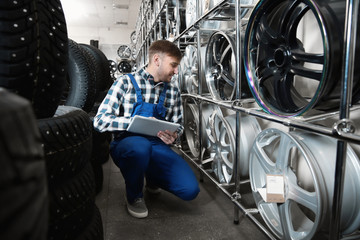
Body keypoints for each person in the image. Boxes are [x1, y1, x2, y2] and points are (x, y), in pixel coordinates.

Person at [93, 40, 200, 218]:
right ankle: (134, 195)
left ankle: (152, 177)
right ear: (157, 59)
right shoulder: (125, 83)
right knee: (140, 148)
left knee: (190, 189)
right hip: (127, 143)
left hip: (157, 145)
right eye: (173, 65)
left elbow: (179, 124)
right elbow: (99, 121)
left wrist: (174, 135)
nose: (176, 71)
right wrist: (134, 122)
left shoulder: (172, 90)